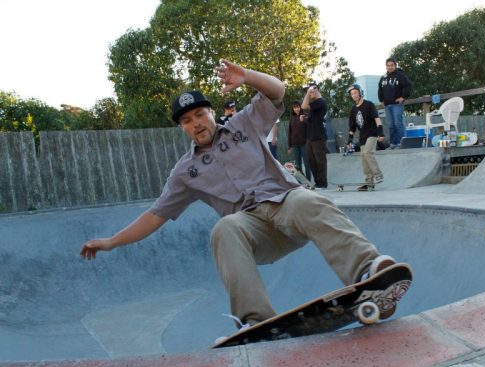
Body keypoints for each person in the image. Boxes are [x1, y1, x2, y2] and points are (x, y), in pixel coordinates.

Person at [79, 60, 406, 332]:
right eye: (186, 121)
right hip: (254, 232)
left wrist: (246, 77)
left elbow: (277, 92)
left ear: (210, 113)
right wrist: (111, 242)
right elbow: (155, 215)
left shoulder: (243, 124)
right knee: (224, 228)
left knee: (306, 199)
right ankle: (255, 321)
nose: (195, 124)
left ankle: (367, 273)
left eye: (198, 115)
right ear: (182, 128)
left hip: (287, 206)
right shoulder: (185, 171)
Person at [347, 84, 385, 191]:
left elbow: (377, 119)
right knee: (364, 159)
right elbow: (352, 127)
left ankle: (378, 174)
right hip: (362, 136)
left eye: (355, 93)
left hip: (372, 134)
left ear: (360, 92)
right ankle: (369, 183)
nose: (354, 95)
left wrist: (380, 133)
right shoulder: (353, 110)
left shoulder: (369, 105)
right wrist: (349, 140)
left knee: (367, 153)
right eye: (352, 94)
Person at [378, 58, 413, 149]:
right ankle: (393, 144)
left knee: (398, 124)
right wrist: (381, 99)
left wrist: (403, 97)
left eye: (392, 65)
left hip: (397, 105)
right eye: (388, 65)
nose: (390, 67)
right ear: (386, 66)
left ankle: (401, 143)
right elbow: (380, 89)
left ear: (395, 65)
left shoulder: (400, 75)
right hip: (387, 105)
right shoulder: (383, 77)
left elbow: (409, 86)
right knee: (390, 125)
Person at [301, 82, 328, 189]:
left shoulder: (321, 101)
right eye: (308, 92)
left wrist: (308, 93)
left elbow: (303, 106)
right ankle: (318, 182)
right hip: (310, 137)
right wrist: (305, 119)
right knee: (311, 160)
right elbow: (314, 119)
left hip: (319, 136)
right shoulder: (314, 105)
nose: (309, 94)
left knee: (320, 160)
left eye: (311, 91)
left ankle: (323, 183)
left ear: (316, 89)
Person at [287, 100, 311, 181]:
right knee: (298, 165)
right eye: (294, 108)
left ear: (300, 107)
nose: (296, 109)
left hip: (304, 144)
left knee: (307, 164)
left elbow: (309, 128)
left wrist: (303, 120)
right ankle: (301, 181)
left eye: (298, 107)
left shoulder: (305, 116)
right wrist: (289, 146)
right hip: (295, 145)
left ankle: (308, 180)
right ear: (293, 109)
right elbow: (290, 133)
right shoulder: (292, 118)